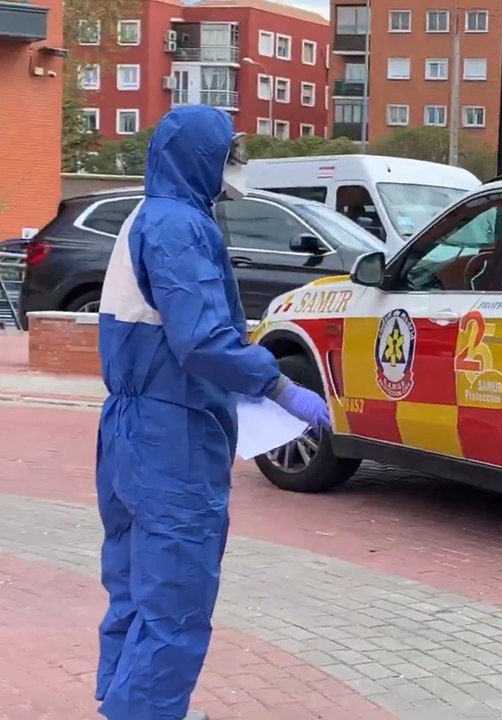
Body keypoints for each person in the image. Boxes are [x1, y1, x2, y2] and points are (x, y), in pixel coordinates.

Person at [94, 105, 334, 720]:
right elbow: (201, 339)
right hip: (170, 434)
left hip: (131, 429)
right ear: (203, 156)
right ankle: (145, 712)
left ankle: (128, 703)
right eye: (232, 150)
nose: (239, 162)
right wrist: (278, 386)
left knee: (135, 588)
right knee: (175, 596)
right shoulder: (180, 227)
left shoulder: (147, 217)